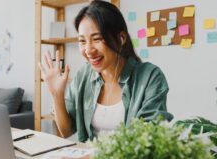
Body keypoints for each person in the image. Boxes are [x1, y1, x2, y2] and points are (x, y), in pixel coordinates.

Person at [38, 0, 173, 142]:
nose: (88, 50)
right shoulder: (83, 75)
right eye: (82, 41)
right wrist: (56, 95)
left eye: (97, 39)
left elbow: (148, 140)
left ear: (121, 38)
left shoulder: (150, 77)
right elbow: (66, 131)